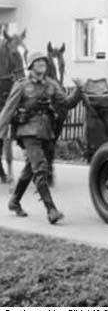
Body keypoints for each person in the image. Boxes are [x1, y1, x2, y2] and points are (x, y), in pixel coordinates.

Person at [0, 51, 83, 224]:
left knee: (31, 168)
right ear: (30, 66)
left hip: (46, 132)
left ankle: (14, 201)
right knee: (40, 168)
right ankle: (51, 209)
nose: (41, 64)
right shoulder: (22, 85)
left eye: (43, 62)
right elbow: (8, 109)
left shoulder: (51, 85)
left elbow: (66, 103)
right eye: (37, 62)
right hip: (27, 131)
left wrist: (79, 90)